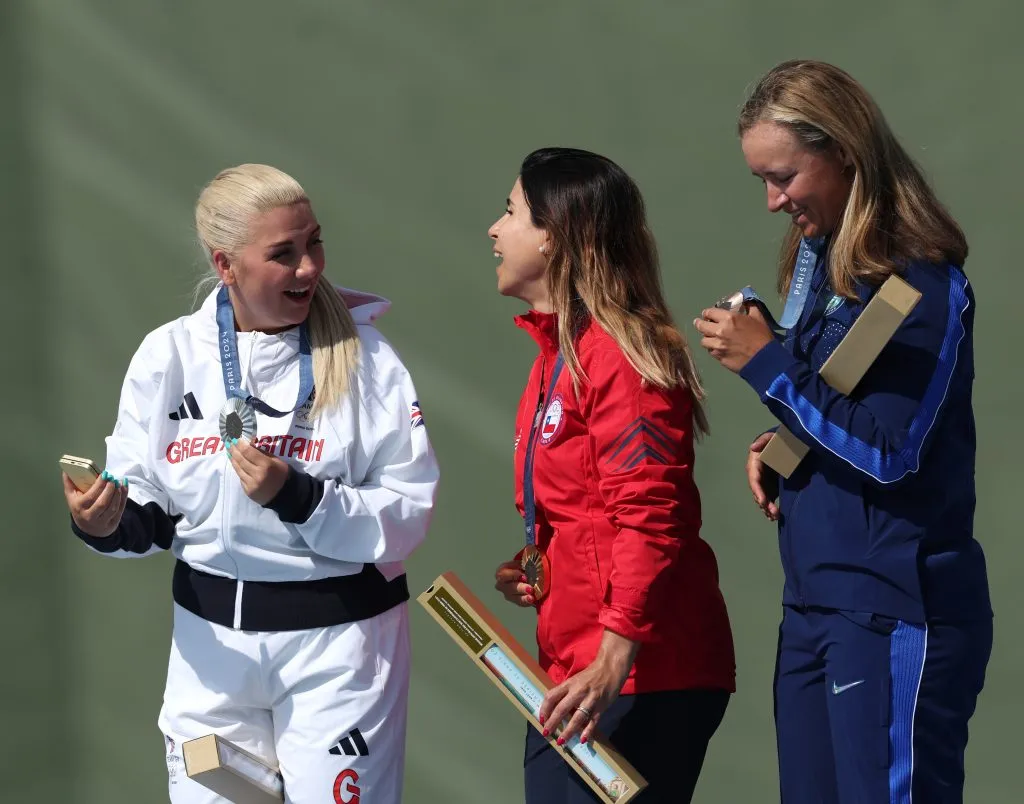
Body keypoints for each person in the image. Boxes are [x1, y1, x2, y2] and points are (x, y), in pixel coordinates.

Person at [61, 163, 438, 804]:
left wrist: (299, 496)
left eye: (314, 243)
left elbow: (408, 510)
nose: (309, 267)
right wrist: (107, 522)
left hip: (338, 654)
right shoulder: (168, 355)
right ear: (226, 265)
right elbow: (146, 499)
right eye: (283, 253)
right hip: (210, 657)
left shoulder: (369, 359)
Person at [694, 60, 992, 803]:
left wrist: (769, 367)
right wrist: (787, 448)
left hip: (894, 607)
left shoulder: (921, 285)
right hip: (815, 601)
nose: (773, 200)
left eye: (784, 176)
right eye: (763, 180)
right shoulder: (831, 266)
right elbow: (841, 407)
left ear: (846, 153)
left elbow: (892, 454)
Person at [489, 147, 736, 804]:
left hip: (636, 676)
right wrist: (540, 564)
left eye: (510, 212)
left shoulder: (618, 355)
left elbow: (652, 517)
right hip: (578, 671)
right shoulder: (557, 355)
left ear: (553, 235)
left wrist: (613, 657)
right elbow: (589, 512)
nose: (494, 229)